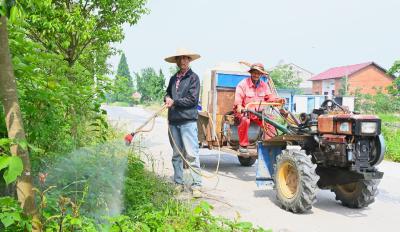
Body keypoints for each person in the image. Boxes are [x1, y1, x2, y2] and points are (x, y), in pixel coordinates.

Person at [164, 48, 202, 198]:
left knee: (192, 154)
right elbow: (168, 92)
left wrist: (175, 101)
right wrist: (167, 98)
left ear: (189, 60)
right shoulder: (174, 78)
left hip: (187, 120)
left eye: (185, 58)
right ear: (177, 61)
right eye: (180, 59)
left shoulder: (194, 78)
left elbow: (192, 99)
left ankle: (196, 185)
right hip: (173, 120)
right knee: (176, 154)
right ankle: (178, 183)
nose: (182, 61)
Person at [234, 63, 281, 154]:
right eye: (254, 73)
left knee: (271, 122)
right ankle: (243, 144)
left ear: (261, 74)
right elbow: (238, 98)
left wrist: (278, 100)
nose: (256, 75)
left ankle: (269, 144)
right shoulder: (243, 84)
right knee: (245, 120)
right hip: (245, 111)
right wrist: (239, 106)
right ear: (251, 73)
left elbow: (270, 97)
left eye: (258, 73)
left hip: (258, 113)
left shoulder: (264, 85)